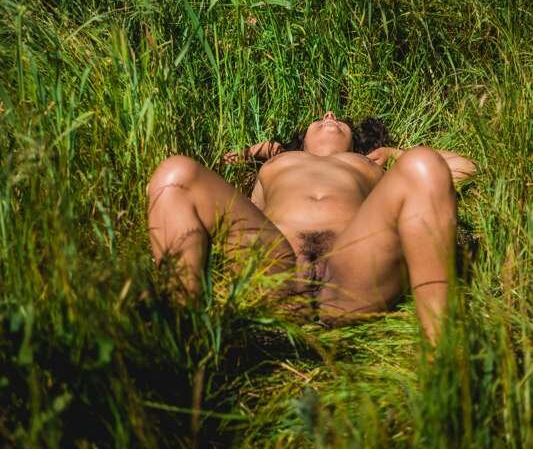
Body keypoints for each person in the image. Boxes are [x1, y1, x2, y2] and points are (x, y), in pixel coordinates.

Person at [146, 113, 476, 345]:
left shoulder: (371, 164)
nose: (330, 115)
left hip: (353, 277)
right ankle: (183, 342)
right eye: (319, 117)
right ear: (300, 140)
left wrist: (396, 155)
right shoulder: (276, 163)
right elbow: (226, 195)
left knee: (423, 163)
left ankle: (441, 357)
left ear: (358, 141)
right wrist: (257, 153)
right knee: (175, 174)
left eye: (340, 119)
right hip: (273, 274)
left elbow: (464, 168)